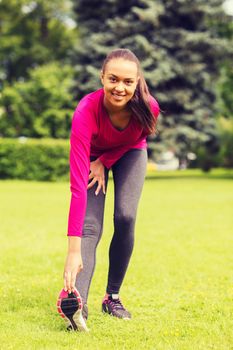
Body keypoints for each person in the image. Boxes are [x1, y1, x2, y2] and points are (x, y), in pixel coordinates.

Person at [58, 48, 160, 331]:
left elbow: (140, 135)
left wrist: (107, 161)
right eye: (113, 79)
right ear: (102, 76)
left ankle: (112, 297)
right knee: (90, 228)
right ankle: (79, 307)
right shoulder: (85, 111)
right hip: (92, 158)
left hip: (129, 153)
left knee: (126, 216)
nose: (120, 87)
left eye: (128, 82)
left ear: (137, 81)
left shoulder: (148, 105)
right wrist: (72, 250)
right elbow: (78, 188)